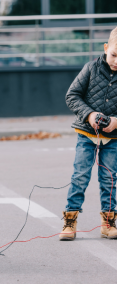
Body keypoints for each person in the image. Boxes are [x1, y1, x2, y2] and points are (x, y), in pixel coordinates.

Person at [61, 27, 117, 241]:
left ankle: (108, 222)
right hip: (86, 134)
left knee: (109, 179)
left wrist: (116, 122)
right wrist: (89, 114)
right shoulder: (90, 68)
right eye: (113, 55)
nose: (116, 61)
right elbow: (72, 96)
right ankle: (69, 221)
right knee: (80, 177)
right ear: (106, 48)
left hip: (113, 139)